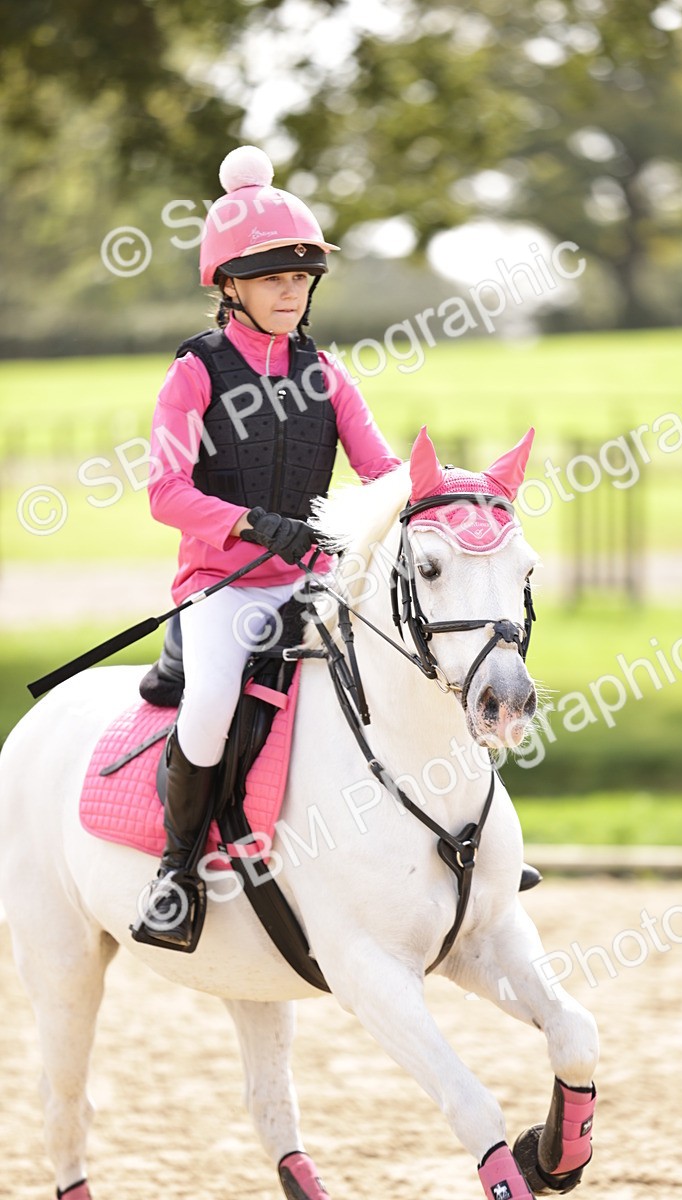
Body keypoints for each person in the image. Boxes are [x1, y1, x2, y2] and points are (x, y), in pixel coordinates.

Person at [136, 145, 402, 949]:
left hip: (314, 584)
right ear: (230, 285)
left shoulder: (328, 375)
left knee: (412, 669)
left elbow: (382, 472)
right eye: (271, 278)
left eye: (300, 277)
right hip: (223, 587)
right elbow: (164, 491)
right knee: (213, 702)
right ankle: (177, 874)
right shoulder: (195, 372)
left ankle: (457, 841)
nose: (291, 291)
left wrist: (431, 496)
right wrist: (252, 524)